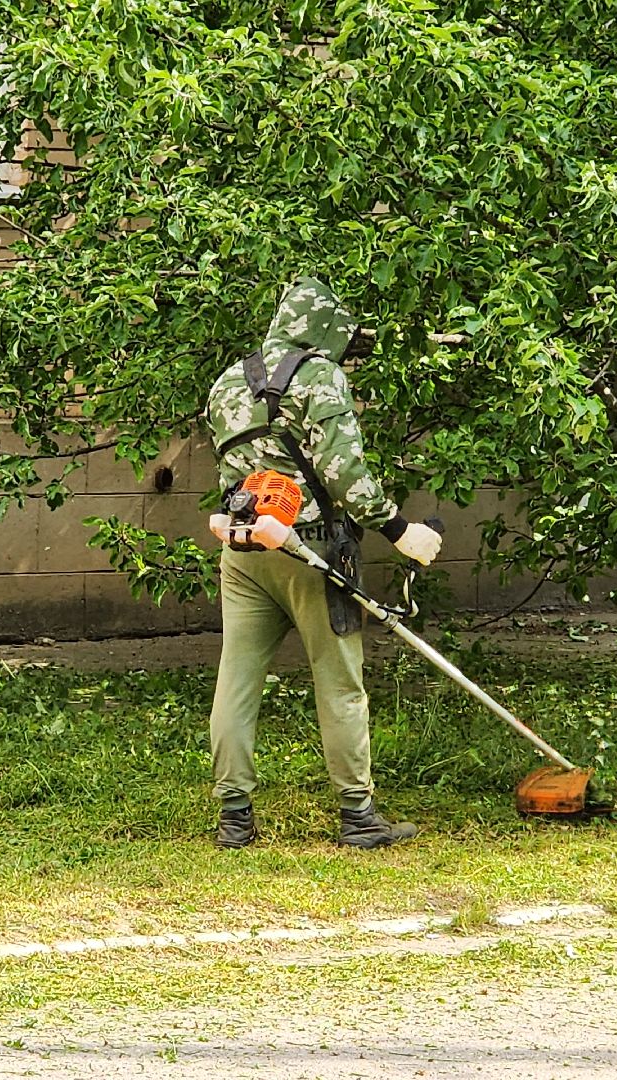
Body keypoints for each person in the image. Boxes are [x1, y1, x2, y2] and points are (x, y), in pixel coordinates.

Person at [204, 277, 444, 849]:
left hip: (244, 550)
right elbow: (345, 472)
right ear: (325, 330)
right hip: (313, 551)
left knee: (236, 679)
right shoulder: (318, 377)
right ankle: (358, 817)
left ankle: (234, 819)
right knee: (339, 684)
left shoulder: (227, 382)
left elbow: (227, 473)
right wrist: (398, 529)